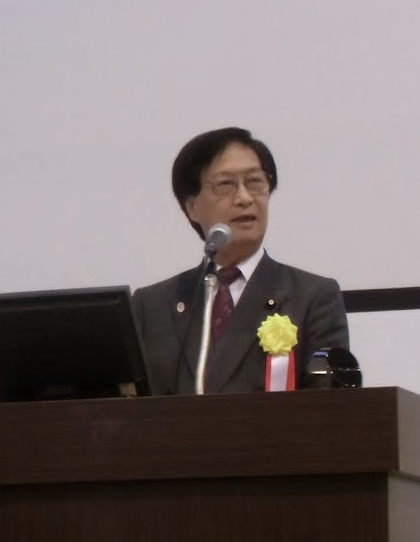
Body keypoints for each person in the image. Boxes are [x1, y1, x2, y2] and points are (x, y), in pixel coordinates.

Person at [132, 127, 349, 395]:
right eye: (225, 185)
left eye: (255, 182)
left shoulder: (312, 298)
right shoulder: (151, 307)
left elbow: (329, 405)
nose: (244, 198)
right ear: (192, 207)